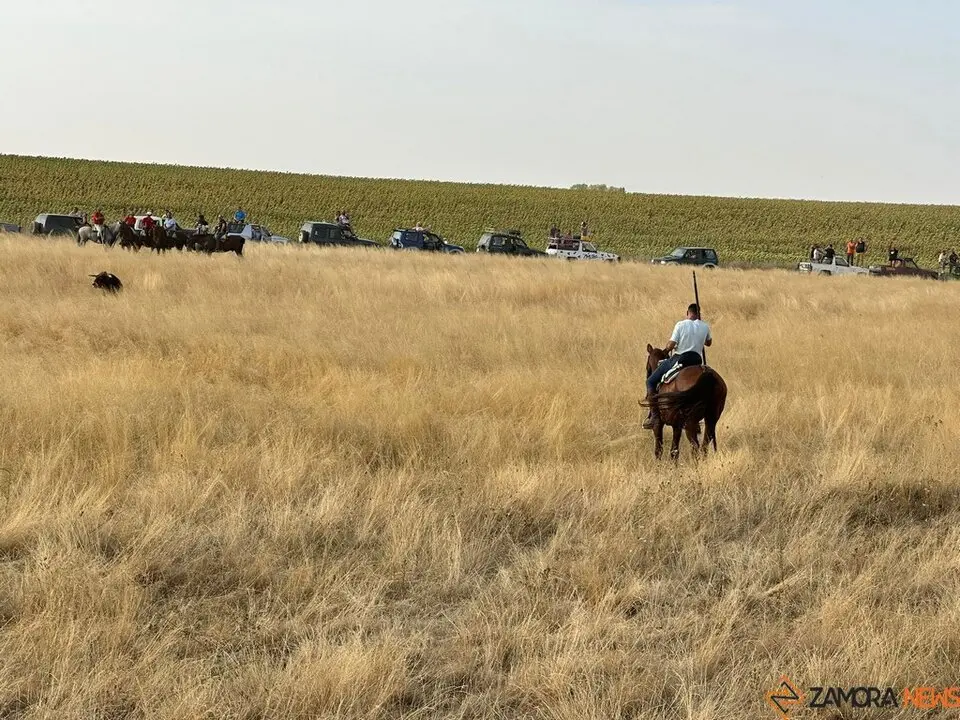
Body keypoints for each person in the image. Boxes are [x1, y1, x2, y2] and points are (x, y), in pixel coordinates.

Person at [642, 303, 713, 430]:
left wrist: (665, 351)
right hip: (696, 360)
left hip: (680, 358)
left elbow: (671, 345)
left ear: (687, 313)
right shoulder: (705, 326)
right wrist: (700, 333)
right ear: (699, 314)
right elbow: (709, 343)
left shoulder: (681, 324)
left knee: (651, 381)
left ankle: (654, 417)